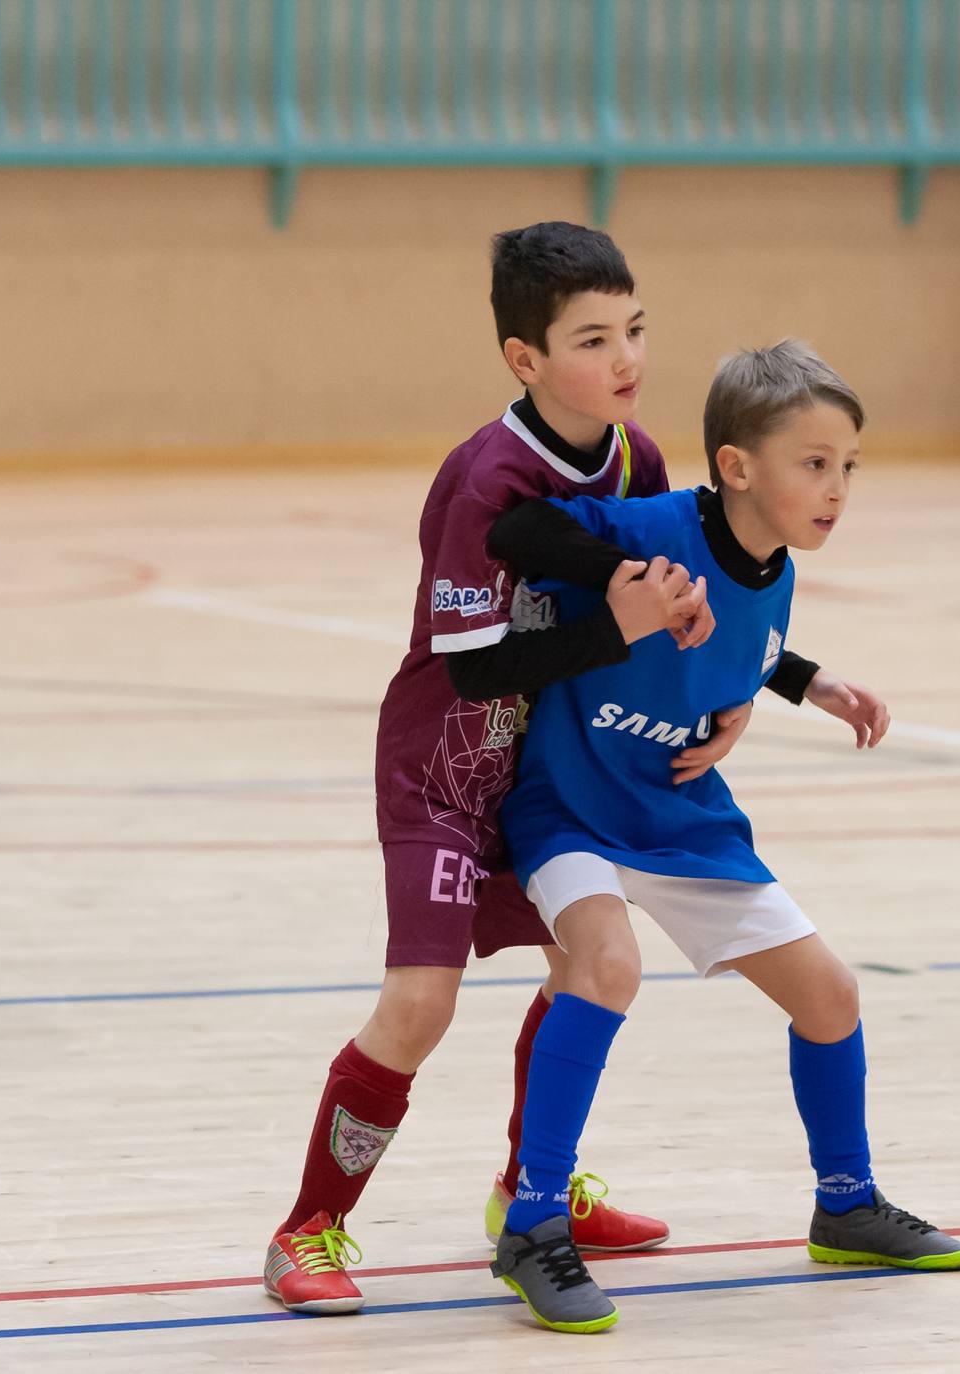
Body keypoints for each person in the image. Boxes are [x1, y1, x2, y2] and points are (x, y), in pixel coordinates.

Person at [262, 222, 852, 1315]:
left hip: (552, 773)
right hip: (446, 771)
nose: (625, 358)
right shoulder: (483, 477)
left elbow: (700, 599)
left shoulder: (636, 460)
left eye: (634, 329)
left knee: (583, 973)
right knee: (419, 1004)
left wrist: (761, 692)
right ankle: (311, 1228)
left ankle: (529, 1194)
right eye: (592, 339)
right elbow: (475, 669)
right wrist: (614, 634)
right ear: (524, 361)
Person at [481, 341, 960, 1334]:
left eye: (847, 467)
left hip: (682, 818)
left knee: (830, 993)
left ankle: (844, 1203)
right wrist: (625, 569)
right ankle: (533, 1224)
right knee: (605, 967)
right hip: (571, 806)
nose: (836, 488)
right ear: (738, 466)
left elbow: (744, 637)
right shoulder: (656, 525)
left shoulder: (776, 564)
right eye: (814, 464)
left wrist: (807, 681)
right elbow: (518, 528)